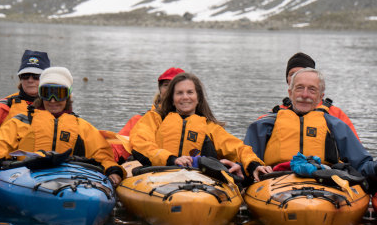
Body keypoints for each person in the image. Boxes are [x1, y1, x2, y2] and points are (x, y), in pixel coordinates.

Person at [0, 67, 124, 186]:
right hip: (24, 178)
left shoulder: (82, 127)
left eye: (59, 93)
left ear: (67, 96)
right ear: (41, 96)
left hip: (70, 179)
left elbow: (102, 155)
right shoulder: (19, 123)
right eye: (47, 93)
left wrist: (114, 171)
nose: (53, 100)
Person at [245, 68, 377, 186]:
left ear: (321, 96)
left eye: (312, 90)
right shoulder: (264, 125)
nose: (304, 95)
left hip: (325, 183)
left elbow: (362, 165)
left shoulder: (336, 126)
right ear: (290, 93)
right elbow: (245, 160)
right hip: (275, 182)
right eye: (299, 88)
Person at [130, 72, 272, 182]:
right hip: (158, 174)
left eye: (190, 92)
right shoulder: (155, 118)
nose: (185, 97)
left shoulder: (209, 127)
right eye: (179, 93)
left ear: (198, 98)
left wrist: (253, 165)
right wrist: (171, 159)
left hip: (197, 180)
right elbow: (140, 143)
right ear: (172, 99)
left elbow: (238, 148)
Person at [262, 52, 359, 139]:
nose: (297, 77)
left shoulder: (336, 116)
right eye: (292, 74)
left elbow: (356, 152)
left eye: (302, 73)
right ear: (288, 81)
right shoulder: (274, 116)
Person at [0, 50, 50, 155]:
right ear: (20, 78)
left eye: (36, 76)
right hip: (9, 166)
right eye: (25, 75)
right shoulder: (1, 108)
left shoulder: (58, 107)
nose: (30, 80)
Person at [112, 67, 185, 163]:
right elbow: (117, 151)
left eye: (175, 86)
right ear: (160, 90)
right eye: (166, 85)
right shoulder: (140, 120)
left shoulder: (203, 122)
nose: (170, 90)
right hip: (151, 168)